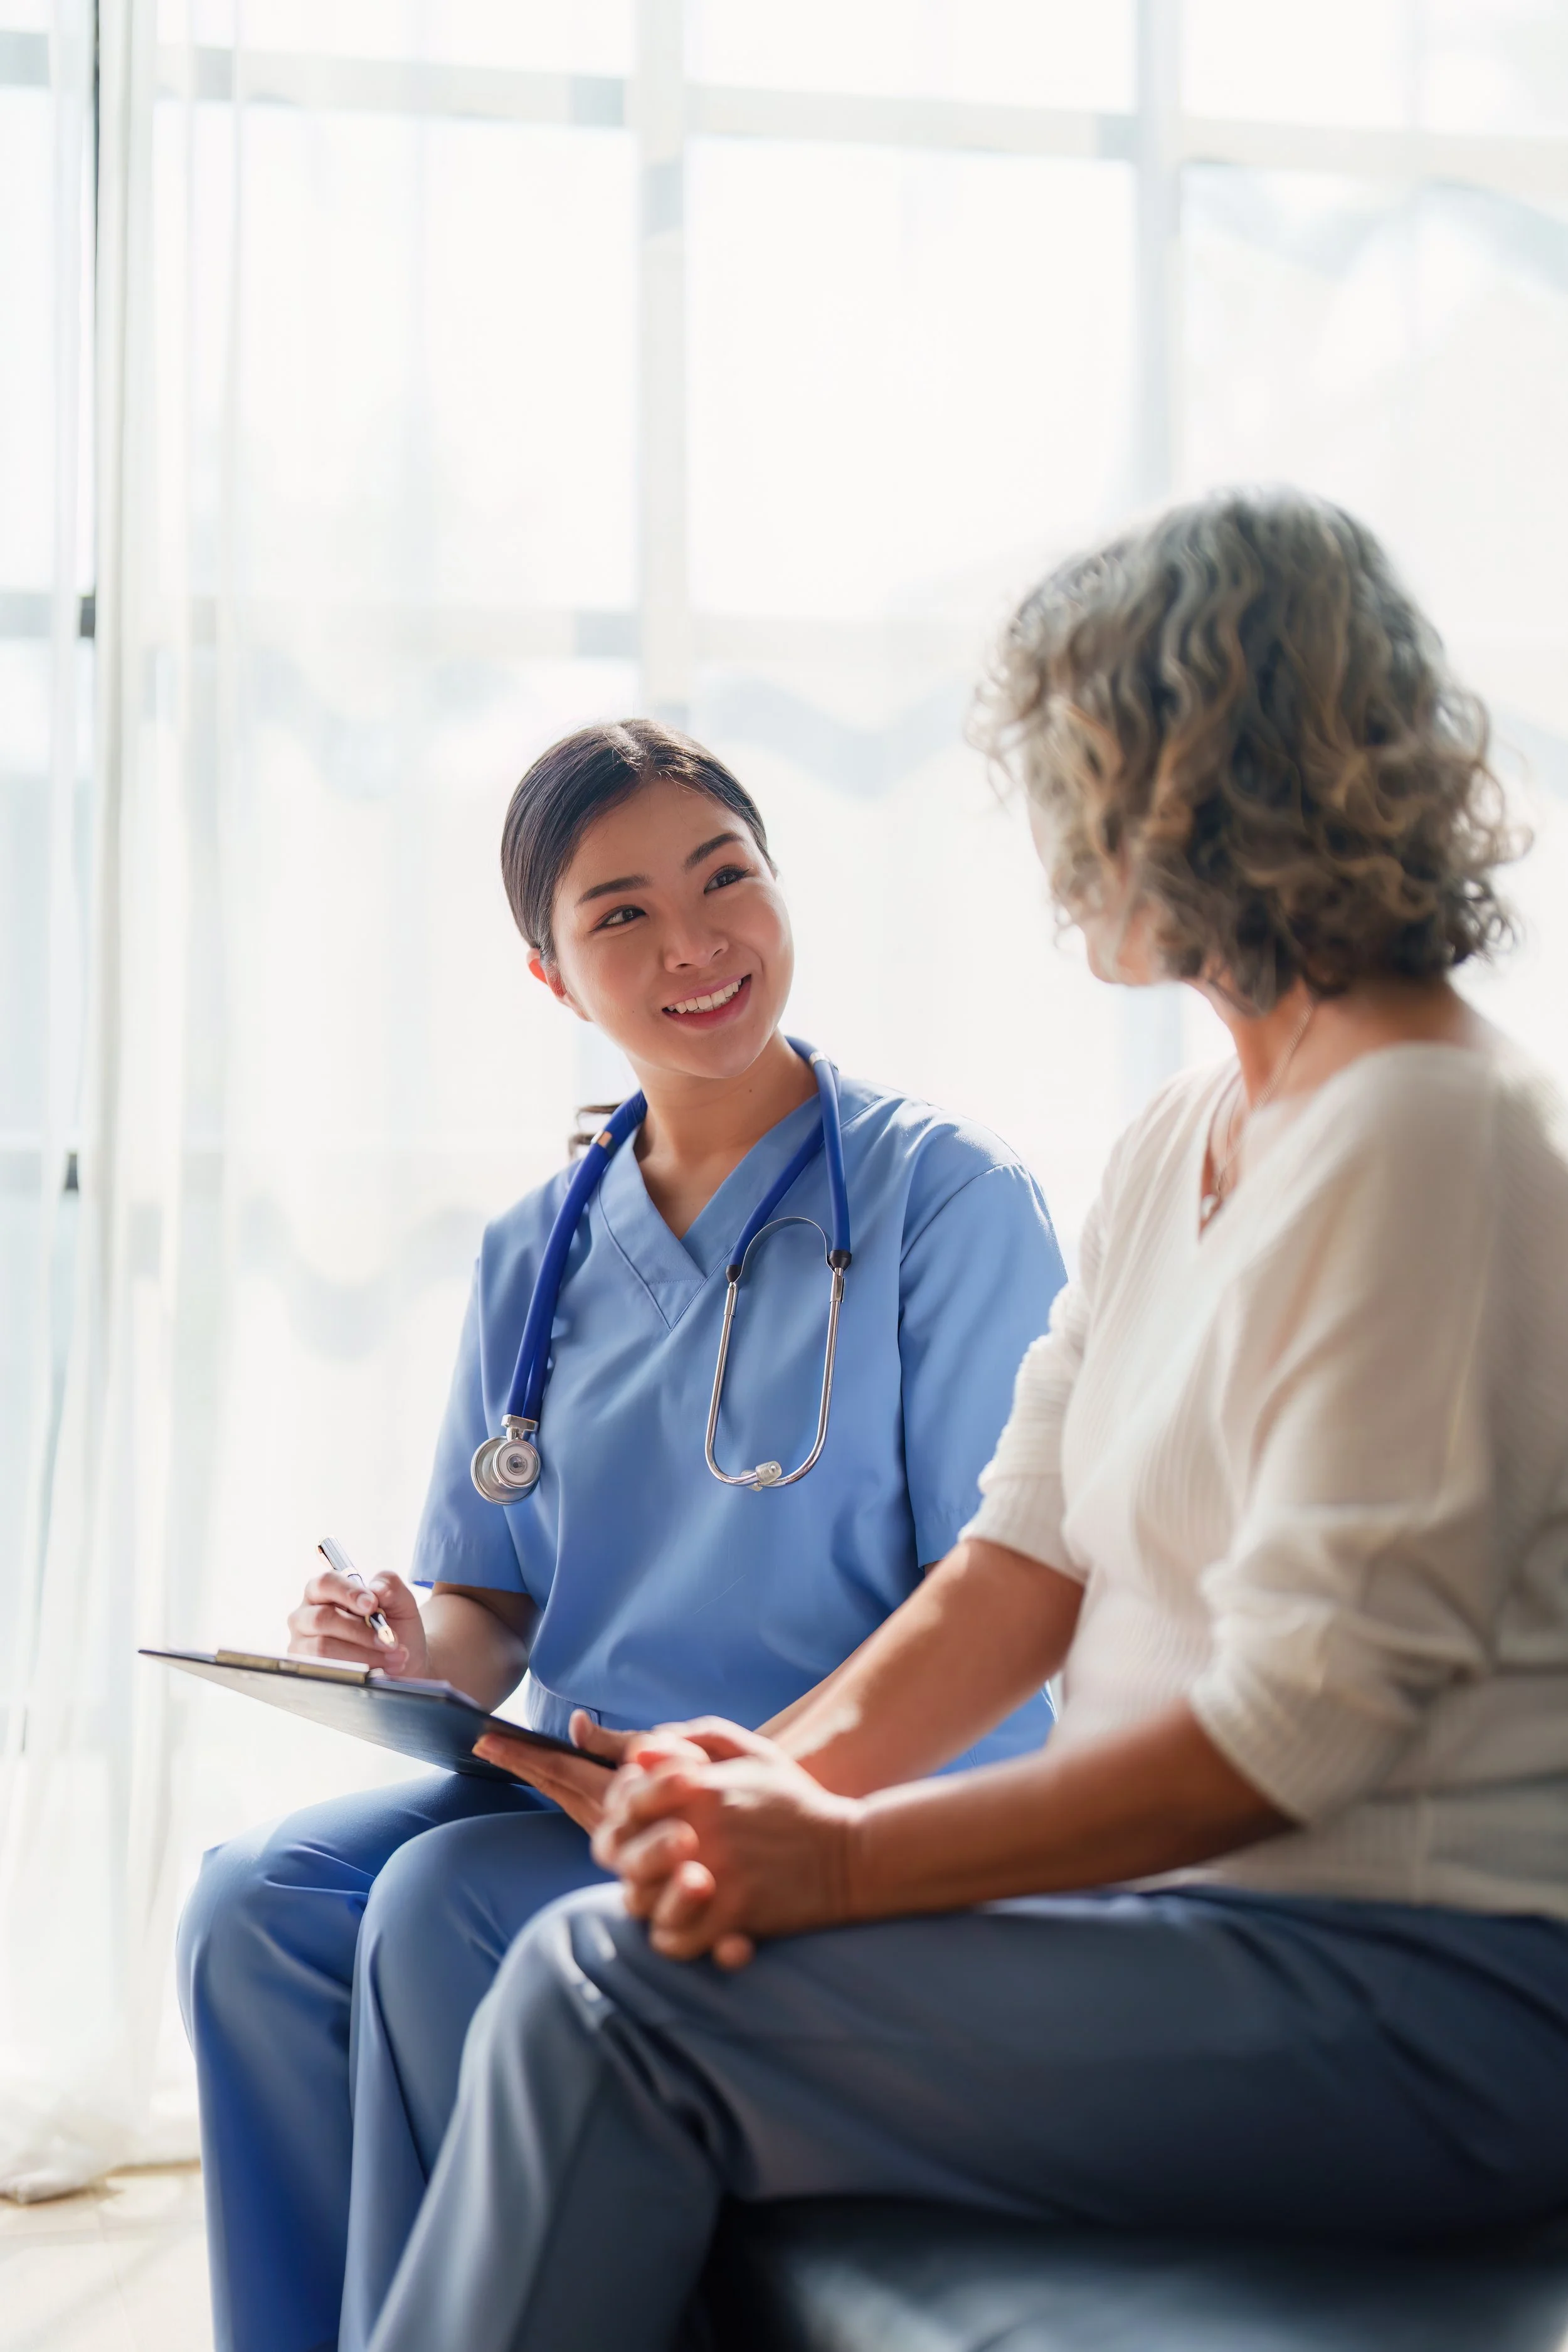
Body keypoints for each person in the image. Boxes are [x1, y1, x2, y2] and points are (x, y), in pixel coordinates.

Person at [363, 492, 1568, 2352]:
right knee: (599, 1949)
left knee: (606, 1995)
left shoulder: (1424, 1130)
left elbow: (1303, 1722)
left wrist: (835, 1854)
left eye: (1075, 778)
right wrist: (765, 1781)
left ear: (1205, 785)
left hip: (1424, 1991)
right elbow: (1019, 1565)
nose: (1051, 839)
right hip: (1195, 1939)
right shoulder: (1187, 1133)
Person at [176, 719, 1066, 2352]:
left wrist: (752, 1779)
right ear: (549, 976)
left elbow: (1009, 1599)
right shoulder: (544, 1239)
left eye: (725, 877)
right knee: (252, 1902)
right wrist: (405, 1646)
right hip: (585, 1780)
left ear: (782, 884)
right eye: (622, 915)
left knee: (441, 1909)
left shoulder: (947, 1200)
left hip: (851, 1791)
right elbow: (490, 1607)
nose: (695, 942)